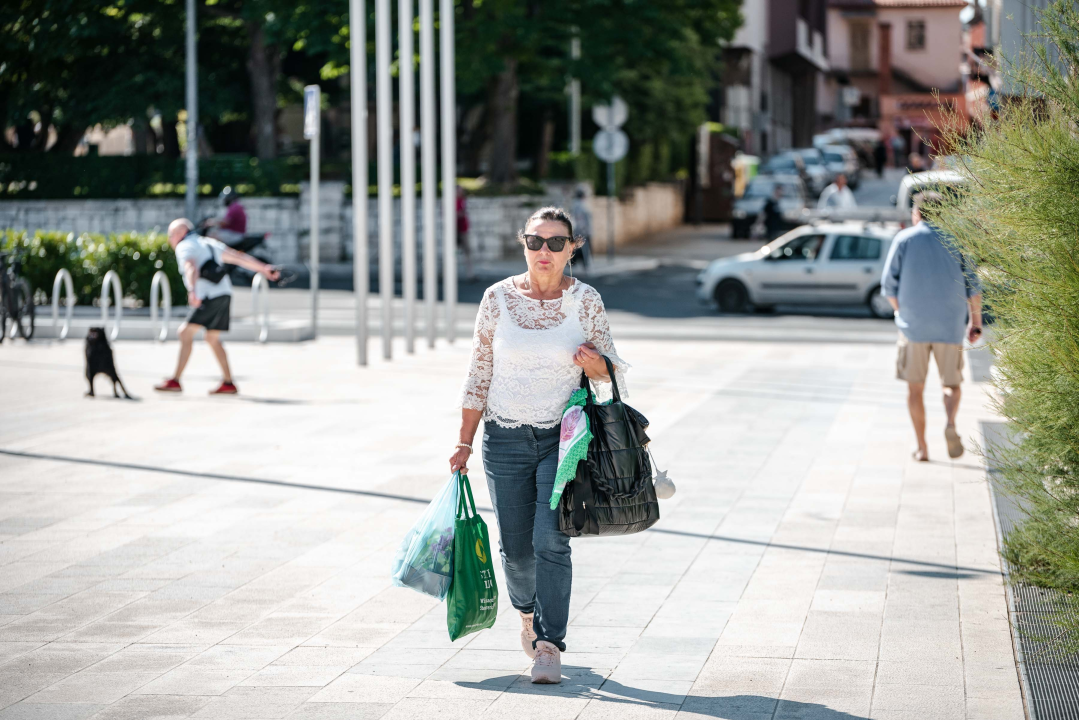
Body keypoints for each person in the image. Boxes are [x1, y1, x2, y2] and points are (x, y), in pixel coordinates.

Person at [451, 206, 627, 685]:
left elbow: (612, 371)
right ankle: (526, 615)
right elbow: (479, 371)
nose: (544, 251)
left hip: (563, 438)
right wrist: (463, 442)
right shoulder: (497, 298)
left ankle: (550, 644)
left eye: (556, 242)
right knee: (515, 548)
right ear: (522, 244)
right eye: (535, 241)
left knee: (551, 539)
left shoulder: (586, 300)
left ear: (573, 248)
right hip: (503, 438)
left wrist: (595, 366)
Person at [881, 193, 982, 462]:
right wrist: (976, 324)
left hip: (913, 327)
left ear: (918, 213)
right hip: (949, 326)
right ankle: (949, 423)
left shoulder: (904, 239)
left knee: (915, 389)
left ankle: (922, 448)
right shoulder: (957, 240)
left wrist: (900, 311)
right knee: (951, 384)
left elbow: (888, 286)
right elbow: (974, 286)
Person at [154, 218, 280, 395]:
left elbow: (191, 267)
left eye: (170, 235)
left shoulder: (185, 246)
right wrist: (264, 268)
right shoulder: (208, 242)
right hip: (225, 294)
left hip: (208, 297)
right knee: (212, 338)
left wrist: (192, 291)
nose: (169, 240)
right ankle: (228, 383)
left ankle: (175, 381)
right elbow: (238, 257)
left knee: (184, 333)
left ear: (179, 234)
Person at [570, 187, 593, 269]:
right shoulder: (583, 205)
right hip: (584, 231)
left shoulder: (574, 205)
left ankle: (574, 263)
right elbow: (586, 219)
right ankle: (586, 264)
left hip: (576, 231)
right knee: (585, 248)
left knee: (576, 247)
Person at [456, 185, 476, 281]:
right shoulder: (452, 201)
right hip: (455, 230)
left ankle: (470, 274)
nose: (461, 192)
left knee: (467, 252)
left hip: (463, 230)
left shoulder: (463, 200)